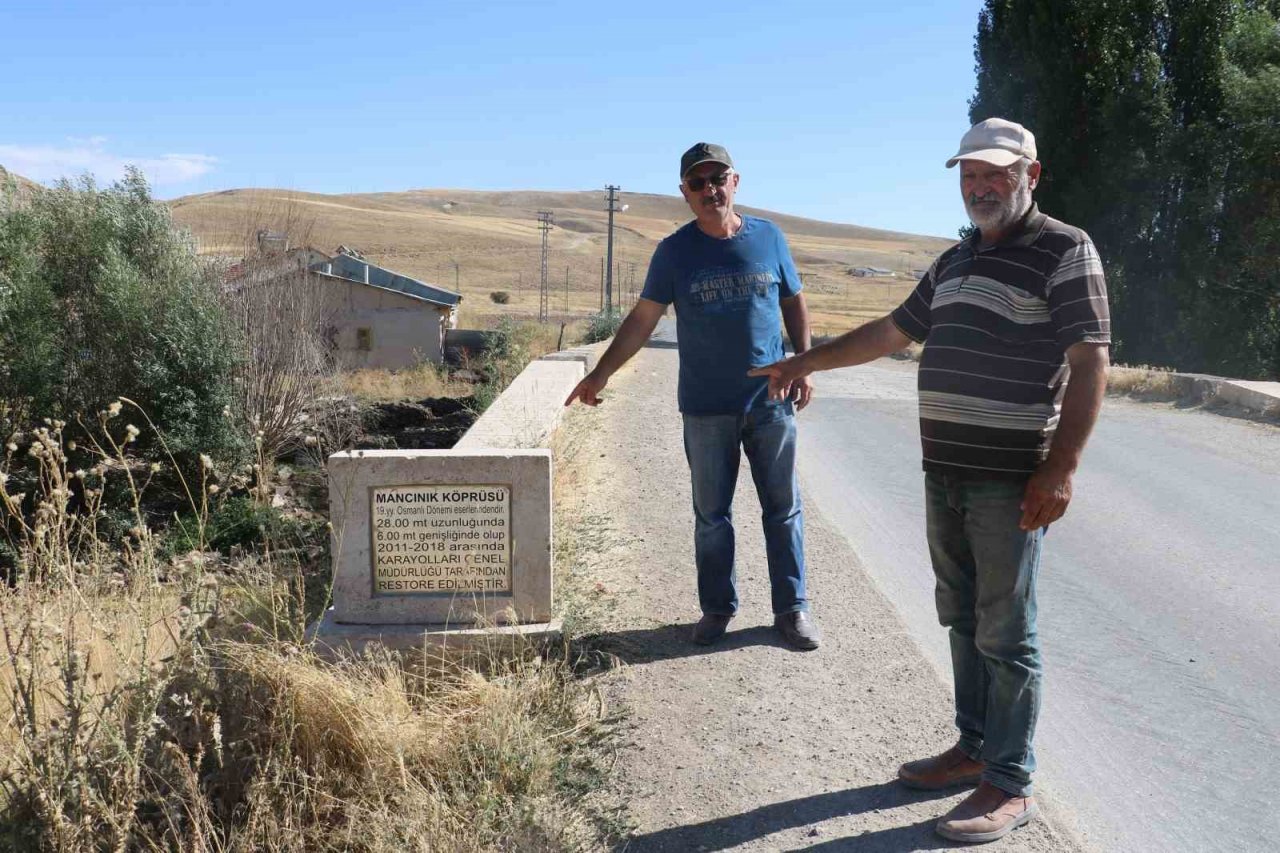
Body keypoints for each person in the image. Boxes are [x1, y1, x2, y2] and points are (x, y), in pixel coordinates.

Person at [750, 118, 1110, 843]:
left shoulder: (1065, 249)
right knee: (961, 615)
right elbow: (890, 332)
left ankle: (1010, 780)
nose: (980, 187)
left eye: (996, 173)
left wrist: (1062, 468)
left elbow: (1091, 361)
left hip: (1009, 477)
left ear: (1031, 175)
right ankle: (973, 746)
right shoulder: (955, 260)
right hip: (943, 470)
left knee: (1006, 630)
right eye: (969, 175)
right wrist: (803, 362)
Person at [564, 142, 820, 651]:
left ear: (735, 182)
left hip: (770, 402)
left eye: (718, 179)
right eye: (698, 183)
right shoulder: (674, 252)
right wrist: (602, 374)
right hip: (705, 406)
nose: (710, 190)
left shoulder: (769, 238)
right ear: (685, 192)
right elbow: (643, 319)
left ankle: (792, 610)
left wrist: (805, 363)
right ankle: (717, 608)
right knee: (712, 516)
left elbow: (793, 300)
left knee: (783, 508)